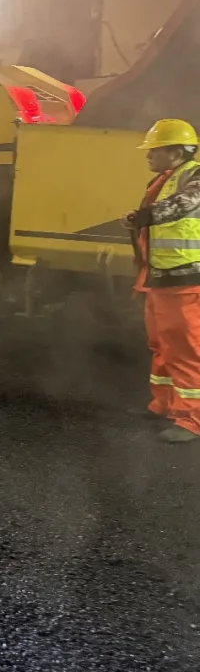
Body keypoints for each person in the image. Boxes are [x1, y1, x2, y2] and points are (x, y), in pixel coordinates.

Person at [125, 118, 200, 443]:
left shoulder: (195, 176)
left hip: (185, 278)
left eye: (154, 150)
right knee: (161, 346)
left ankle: (192, 420)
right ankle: (165, 405)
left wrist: (147, 215)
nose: (148, 156)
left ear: (176, 152)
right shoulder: (163, 180)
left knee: (185, 351)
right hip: (160, 278)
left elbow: (186, 203)